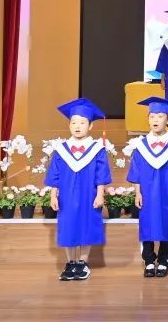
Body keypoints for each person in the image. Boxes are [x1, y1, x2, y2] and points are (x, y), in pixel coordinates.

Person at [45, 98, 111, 282]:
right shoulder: (62, 150)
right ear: (69, 125)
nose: (77, 126)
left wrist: (100, 195)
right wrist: (53, 196)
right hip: (66, 196)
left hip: (89, 195)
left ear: (90, 126)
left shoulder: (96, 149)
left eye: (82, 122)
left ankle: (82, 262)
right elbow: (55, 175)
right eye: (73, 122)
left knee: (86, 226)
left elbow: (101, 175)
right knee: (68, 227)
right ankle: (71, 262)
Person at [128, 97, 168, 278]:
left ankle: (164, 259)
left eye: (160, 116)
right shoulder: (141, 146)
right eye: (152, 116)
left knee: (166, 222)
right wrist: (137, 193)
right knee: (146, 223)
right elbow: (136, 171)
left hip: (167, 192)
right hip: (146, 192)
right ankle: (148, 260)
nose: (155, 120)